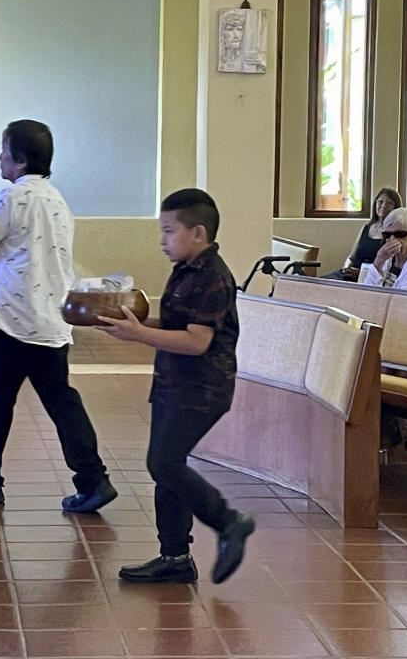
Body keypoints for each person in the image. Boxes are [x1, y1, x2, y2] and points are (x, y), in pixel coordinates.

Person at [0, 120, 117, 512]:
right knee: (62, 401)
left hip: (11, 320)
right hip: (51, 320)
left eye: (4, 152)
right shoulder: (56, 200)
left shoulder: (8, 199)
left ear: (18, 160)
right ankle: (93, 479)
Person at [96, 188, 254, 584]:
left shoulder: (214, 277)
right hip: (173, 383)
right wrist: (132, 326)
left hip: (201, 388)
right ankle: (175, 556)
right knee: (169, 466)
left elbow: (197, 342)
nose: (162, 240)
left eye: (169, 231)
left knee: (162, 463)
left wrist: (140, 337)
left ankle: (228, 521)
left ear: (197, 233)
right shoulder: (185, 269)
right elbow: (175, 328)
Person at [324, 187, 403, 281]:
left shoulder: (395, 233)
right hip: (349, 275)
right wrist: (346, 267)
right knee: (319, 283)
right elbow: (351, 257)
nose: (383, 206)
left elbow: (390, 267)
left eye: (389, 203)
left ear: (396, 208)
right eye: (380, 202)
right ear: (375, 203)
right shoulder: (366, 228)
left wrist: (361, 273)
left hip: (371, 279)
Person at [360, 207, 407, 292]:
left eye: (400, 234)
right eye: (387, 235)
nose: (392, 239)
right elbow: (367, 291)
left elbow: (402, 301)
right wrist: (379, 260)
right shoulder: (388, 259)